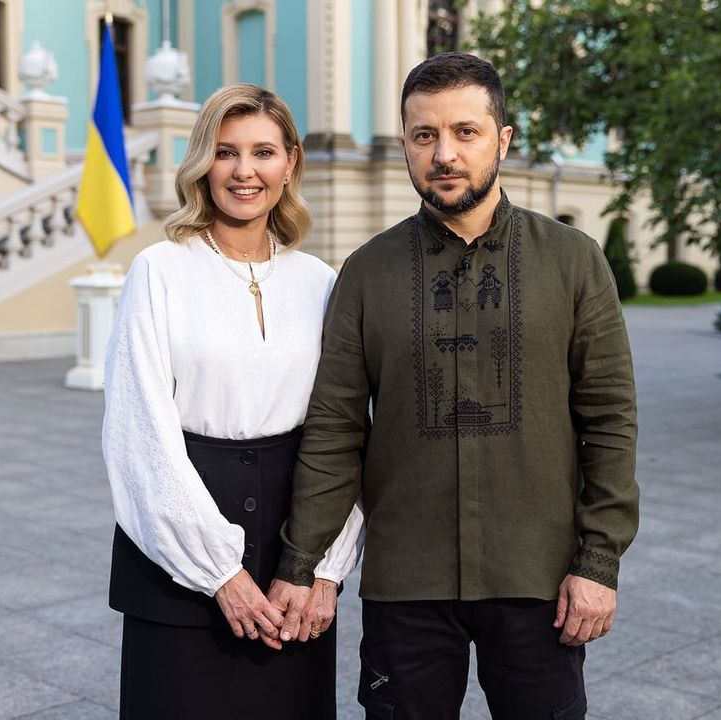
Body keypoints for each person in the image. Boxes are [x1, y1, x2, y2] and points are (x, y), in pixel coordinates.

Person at [269, 52, 639, 720]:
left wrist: (599, 562)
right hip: (406, 582)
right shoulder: (367, 273)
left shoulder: (573, 261)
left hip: (539, 577)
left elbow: (610, 420)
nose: (444, 154)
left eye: (465, 132)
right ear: (405, 144)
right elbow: (335, 430)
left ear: (503, 140)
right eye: (424, 135)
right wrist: (301, 563)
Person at [102, 83, 365, 720]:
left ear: (290, 163)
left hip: (293, 565)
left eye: (263, 152)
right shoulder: (159, 271)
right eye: (226, 152)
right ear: (203, 163)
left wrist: (326, 567)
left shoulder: (321, 282)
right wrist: (218, 570)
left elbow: (346, 432)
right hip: (178, 559)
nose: (245, 171)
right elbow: (139, 433)